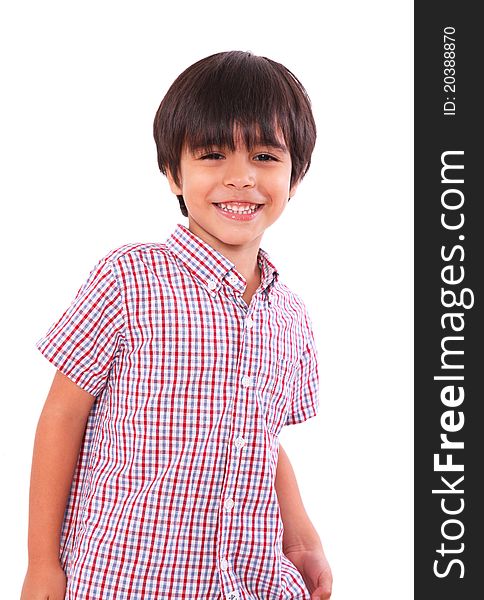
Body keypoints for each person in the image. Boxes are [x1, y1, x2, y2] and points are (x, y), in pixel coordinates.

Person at [21, 50, 332, 600]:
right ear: (173, 173)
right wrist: (42, 562)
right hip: (127, 576)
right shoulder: (128, 278)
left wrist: (302, 536)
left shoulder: (291, 316)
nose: (240, 178)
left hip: (249, 579)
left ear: (296, 175)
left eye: (264, 155)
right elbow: (63, 415)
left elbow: (262, 436)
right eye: (213, 154)